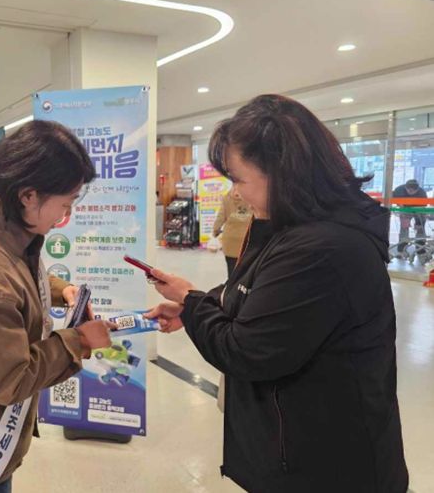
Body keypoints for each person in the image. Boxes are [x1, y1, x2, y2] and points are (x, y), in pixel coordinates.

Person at [145, 95, 409, 492]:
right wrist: (197, 303)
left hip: (329, 468)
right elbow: (256, 295)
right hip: (300, 449)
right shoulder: (290, 228)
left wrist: (194, 304)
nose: (235, 194)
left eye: (239, 179)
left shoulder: (323, 249)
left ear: (284, 172)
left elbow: (245, 351)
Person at [0, 120, 115, 493]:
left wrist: (62, 290)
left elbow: (16, 274)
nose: (66, 216)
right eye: (65, 204)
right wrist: (78, 341)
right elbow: (11, 379)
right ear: (29, 195)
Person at [212, 186, 252, 277]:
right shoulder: (251, 197)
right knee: (247, 270)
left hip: (230, 240)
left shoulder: (227, 198)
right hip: (248, 239)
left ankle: (232, 284)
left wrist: (215, 231)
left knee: (232, 269)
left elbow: (220, 217)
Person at [392, 179, 428, 255]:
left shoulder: (422, 193)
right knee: (404, 227)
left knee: (420, 228)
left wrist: (418, 223)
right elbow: (393, 198)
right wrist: (399, 204)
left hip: (418, 209)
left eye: (413, 190)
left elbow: (422, 208)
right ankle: (402, 247)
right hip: (405, 208)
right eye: (408, 189)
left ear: (417, 189)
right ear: (405, 187)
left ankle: (420, 248)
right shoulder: (399, 190)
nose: (410, 191)